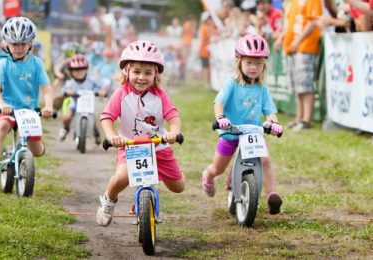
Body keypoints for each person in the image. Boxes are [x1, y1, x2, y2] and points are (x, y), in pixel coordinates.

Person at [96, 40, 185, 227]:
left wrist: (173, 132)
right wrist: (112, 136)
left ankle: (143, 202)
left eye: (148, 73)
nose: (142, 78)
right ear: (126, 71)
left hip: (158, 146)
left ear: (156, 74)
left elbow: (173, 116)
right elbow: (107, 117)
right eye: (136, 72)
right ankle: (108, 200)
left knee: (179, 187)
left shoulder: (160, 95)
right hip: (130, 146)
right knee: (121, 178)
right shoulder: (121, 94)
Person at [201, 34, 284, 215]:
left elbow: (270, 111)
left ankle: (272, 195)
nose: (254, 67)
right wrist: (221, 118)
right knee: (218, 168)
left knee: (265, 160)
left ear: (264, 65)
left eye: (258, 63)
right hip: (230, 132)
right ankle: (208, 175)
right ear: (239, 62)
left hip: (252, 134)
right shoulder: (232, 83)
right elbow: (219, 102)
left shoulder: (262, 89)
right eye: (249, 63)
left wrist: (274, 124)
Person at [0, 17, 53, 181]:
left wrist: (48, 105)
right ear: (7, 44)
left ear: (30, 44)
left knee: (37, 151)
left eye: (23, 44)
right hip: (9, 109)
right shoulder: (3, 63)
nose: (19, 48)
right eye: (15, 44)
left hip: (30, 112)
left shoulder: (36, 63)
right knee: (2, 126)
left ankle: (37, 146)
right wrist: (1, 104)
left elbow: (46, 88)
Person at [282, 0, 323, 131]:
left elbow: (314, 21)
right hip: (292, 47)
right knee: (298, 86)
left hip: (305, 46)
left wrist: (298, 41)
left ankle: (306, 119)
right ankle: (298, 118)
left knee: (305, 84)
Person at [58, 54, 106, 145]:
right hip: (74, 105)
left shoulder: (91, 80)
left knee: (93, 120)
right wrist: (67, 92)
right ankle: (65, 128)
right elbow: (63, 90)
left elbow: (101, 87)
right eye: (76, 70)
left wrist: (101, 91)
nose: (79, 72)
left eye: (82, 69)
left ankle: (96, 134)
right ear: (71, 72)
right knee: (67, 117)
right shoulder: (70, 83)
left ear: (86, 69)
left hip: (88, 105)